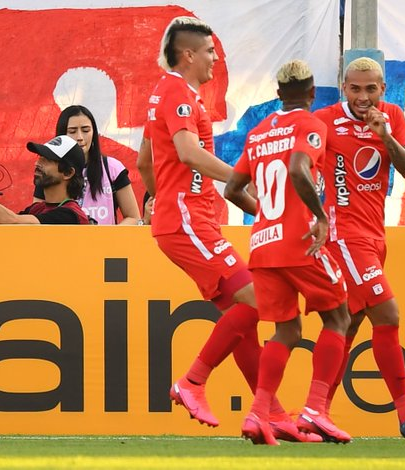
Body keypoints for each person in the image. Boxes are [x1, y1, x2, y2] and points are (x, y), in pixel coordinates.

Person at [139, 16, 312, 442]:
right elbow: (188, 153)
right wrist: (242, 178)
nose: (217, 58)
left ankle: (268, 414)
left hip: (185, 220)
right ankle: (194, 381)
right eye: (211, 51)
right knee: (259, 301)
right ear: (189, 55)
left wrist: (163, 199)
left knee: (246, 318)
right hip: (187, 222)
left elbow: (146, 161)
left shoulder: (167, 93)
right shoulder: (178, 91)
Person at [314, 57, 405, 439]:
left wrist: (384, 135)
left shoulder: (392, 116)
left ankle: (316, 411)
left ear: (383, 89)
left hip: (374, 236)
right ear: (343, 88)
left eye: (371, 89)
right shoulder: (323, 120)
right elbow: (299, 166)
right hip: (344, 236)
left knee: (348, 327)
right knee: (388, 314)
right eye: (355, 88)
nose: (363, 97)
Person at [225, 59, 351, 445]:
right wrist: (319, 217)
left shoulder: (260, 132)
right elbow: (298, 169)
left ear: (278, 94)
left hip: (263, 245)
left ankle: (259, 414)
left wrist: (265, 215)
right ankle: (315, 410)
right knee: (339, 317)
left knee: (287, 330)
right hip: (300, 242)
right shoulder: (312, 125)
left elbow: (231, 190)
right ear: (313, 93)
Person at [33, 105, 141, 225]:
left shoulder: (112, 167)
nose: (79, 137)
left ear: (94, 133)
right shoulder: (49, 172)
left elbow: (133, 218)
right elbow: (36, 219)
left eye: (86, 130)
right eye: (72, 131)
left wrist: (108, 239)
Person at [0, 135, 89, 224]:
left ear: (68, 173)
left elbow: (11, 221)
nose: (37, 163)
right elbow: (2, 226)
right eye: (39, 157)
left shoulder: (71, 215)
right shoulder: (37, 209)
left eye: (47, 159)